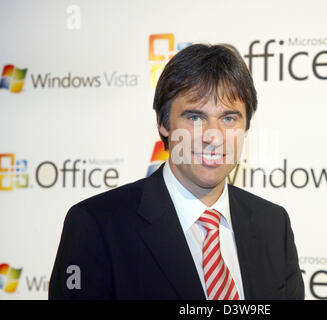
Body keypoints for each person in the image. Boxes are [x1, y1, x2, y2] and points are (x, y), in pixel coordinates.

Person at [49, 43, 304, 300]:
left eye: (229, 118)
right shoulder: (96, 224)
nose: (213, 137)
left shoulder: (273, 224)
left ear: (246, 127)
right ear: (163, 124)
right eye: (195, 117)